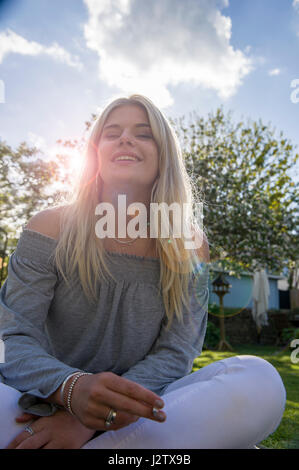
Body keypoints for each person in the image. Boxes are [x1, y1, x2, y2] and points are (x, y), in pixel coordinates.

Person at [0, 94, 286, 449]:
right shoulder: (49, 227)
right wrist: (72, 390)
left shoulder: (190, 245)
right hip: (38, 399)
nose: (125, 139)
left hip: (141, 405)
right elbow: (11, 339)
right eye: (112, 132)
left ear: (163, 152)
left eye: (143, 133)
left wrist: (98, 417)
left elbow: (176, 350)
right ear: (95, 152)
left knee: (259, 380)